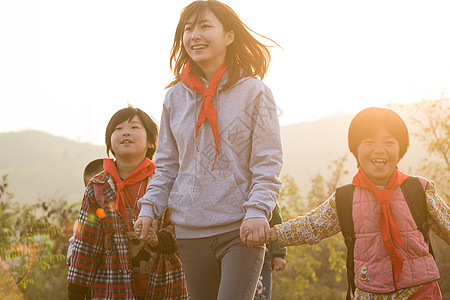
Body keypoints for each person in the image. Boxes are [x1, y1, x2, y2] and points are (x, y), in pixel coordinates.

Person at [134, 1, 283, 299]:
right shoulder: (174, 98)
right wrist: (149, 208)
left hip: (241, 231)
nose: (194, 36)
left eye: (205, 26)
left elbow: (267, 163)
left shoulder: (255, 92)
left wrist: (258, 212)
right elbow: (167, 166)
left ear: (229, 35)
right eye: (188, 29)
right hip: (189, 233)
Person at [268, 107, 450, 299]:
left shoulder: (418, 190)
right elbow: (312, 225)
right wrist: (274, 233)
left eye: (389, 142)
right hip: (370, 293)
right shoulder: (345, 199)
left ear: (400, 149)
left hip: (420, 291)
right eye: (369, 142)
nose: (379, 149)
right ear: (356, 148)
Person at [67, 106, 189, 300]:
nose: (126, 132)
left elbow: (182, 229)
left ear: (151, 142)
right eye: (118, 129)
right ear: (110, 143)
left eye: (134, 127)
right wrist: (76, 290)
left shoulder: (167, 182)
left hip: (165, 286)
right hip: (112, 289)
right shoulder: (97, 187)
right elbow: (86, 243)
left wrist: (158, 239)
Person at [255, 203, 287, 300]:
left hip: (262, 257)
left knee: (260, 296)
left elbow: (276, 223)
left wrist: (279, 254)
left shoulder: (266, 197)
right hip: (231, 254)